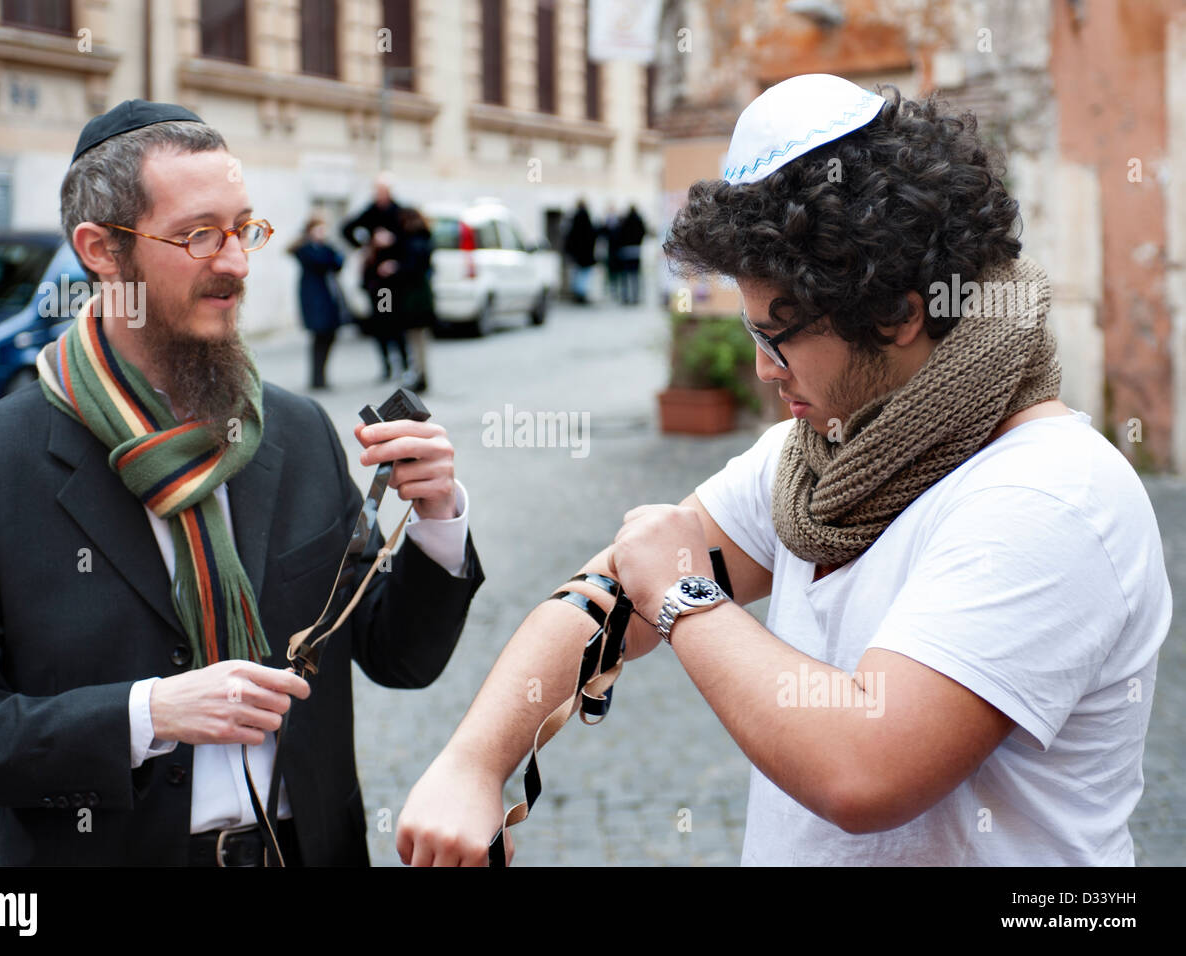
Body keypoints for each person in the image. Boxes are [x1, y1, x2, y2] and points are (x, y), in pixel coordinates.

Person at [394, 74, 1170, 866]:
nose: (764, 370)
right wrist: (473, 763)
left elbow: (866, 769)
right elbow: (609, 593)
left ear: (901, 313)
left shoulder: (1050, 495)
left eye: (780, 336)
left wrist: (686, 596)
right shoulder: (821, 454)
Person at [0, 100, 485, 866]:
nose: (235, 262)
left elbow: (399, 658)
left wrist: (438, 518)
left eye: (244, 229)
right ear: (100, 250)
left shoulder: (296, 431)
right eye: (199, 235)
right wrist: (148, 713)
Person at [342, 173, 409, 381]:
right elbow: (346, 229)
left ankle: (404, 363)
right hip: (377, 282)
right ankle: (388, 365)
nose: (379, 195)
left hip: (393, 281)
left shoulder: (399, 213)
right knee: (381, 321)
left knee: (394, 321)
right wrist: (368, 242)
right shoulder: (370, 212)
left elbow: (409, 242)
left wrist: (392, 241)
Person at [289, 214, 347, 389]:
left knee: (329, 336)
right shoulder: (306, 250)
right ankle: (317, 378)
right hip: (315, 298)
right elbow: (324, 262)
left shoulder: (325, 248)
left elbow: (337, 264)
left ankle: (321, 376)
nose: (323, 233)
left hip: (328, 296)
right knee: (319, 337)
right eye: (319, 229)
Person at [395, 207, 435, 393]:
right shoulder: (425, 238)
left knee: (415, 337)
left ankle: (420, 375)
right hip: (422, 294)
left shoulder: (412, 242)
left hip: (414, 296)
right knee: (419, 338)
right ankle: (420, 374)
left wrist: (396, 268)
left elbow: (410, 269)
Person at [564, 200, 598, 305]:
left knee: (578, 273)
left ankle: (579, 294)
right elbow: (591, 235)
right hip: (586, 252)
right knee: (583, 274)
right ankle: (581, 294)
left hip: (578, 252)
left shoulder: (575, 218)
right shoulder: (585, 218)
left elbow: (571, 236)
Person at [615, 204, 647, 305]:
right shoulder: (639, 220)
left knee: (625, 275)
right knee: (635, 275)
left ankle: (625, 297)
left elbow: (619, 234)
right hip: (636, 250)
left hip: (625, 250)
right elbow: (643, 232)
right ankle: (635, 297)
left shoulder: (625, 221)